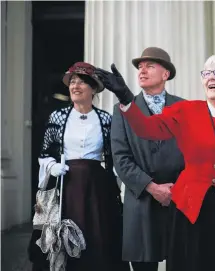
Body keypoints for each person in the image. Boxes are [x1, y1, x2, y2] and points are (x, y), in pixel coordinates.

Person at [95, 55, 215, 271]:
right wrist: (126, 97)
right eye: (206, 73)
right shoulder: (185, 112)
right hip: (191, 211)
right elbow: (146, 128)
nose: (210, 77)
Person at [28, 62, 129, 271]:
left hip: (96, 189)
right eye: (72, 81)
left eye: (81, 82)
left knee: (97, 237)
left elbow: (114, 158)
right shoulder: (58, 117)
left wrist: (115, 186)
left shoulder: (105, 120)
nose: (75, 86)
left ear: (93, 88)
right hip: (66, 187)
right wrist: (52, 167)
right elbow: (45, 154)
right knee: (63, 239)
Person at [110, 47, 185, 271]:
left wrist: (177, 190)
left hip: (177, 201)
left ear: (166, 74)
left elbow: (194, 155)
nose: (142, 71)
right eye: (140, 67)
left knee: (183, 263)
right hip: (140, 201)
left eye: (149, 66)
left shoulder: (184, 108)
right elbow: (120, 157)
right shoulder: (122, 110)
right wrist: (152, 187)